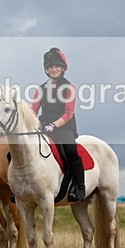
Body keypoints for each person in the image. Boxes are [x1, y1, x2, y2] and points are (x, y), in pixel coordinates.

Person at [30, 47, 85, 202]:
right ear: (46, 70)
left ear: (62, 68)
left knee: (70, 149)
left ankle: (80, 187)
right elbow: (33, 109)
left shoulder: (69, 88)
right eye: (50, 67)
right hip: (43, 126)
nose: (53, 69)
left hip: (63, 127)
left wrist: (54, 125)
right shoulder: (41, 89)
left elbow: (68, 113)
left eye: (56, 66)